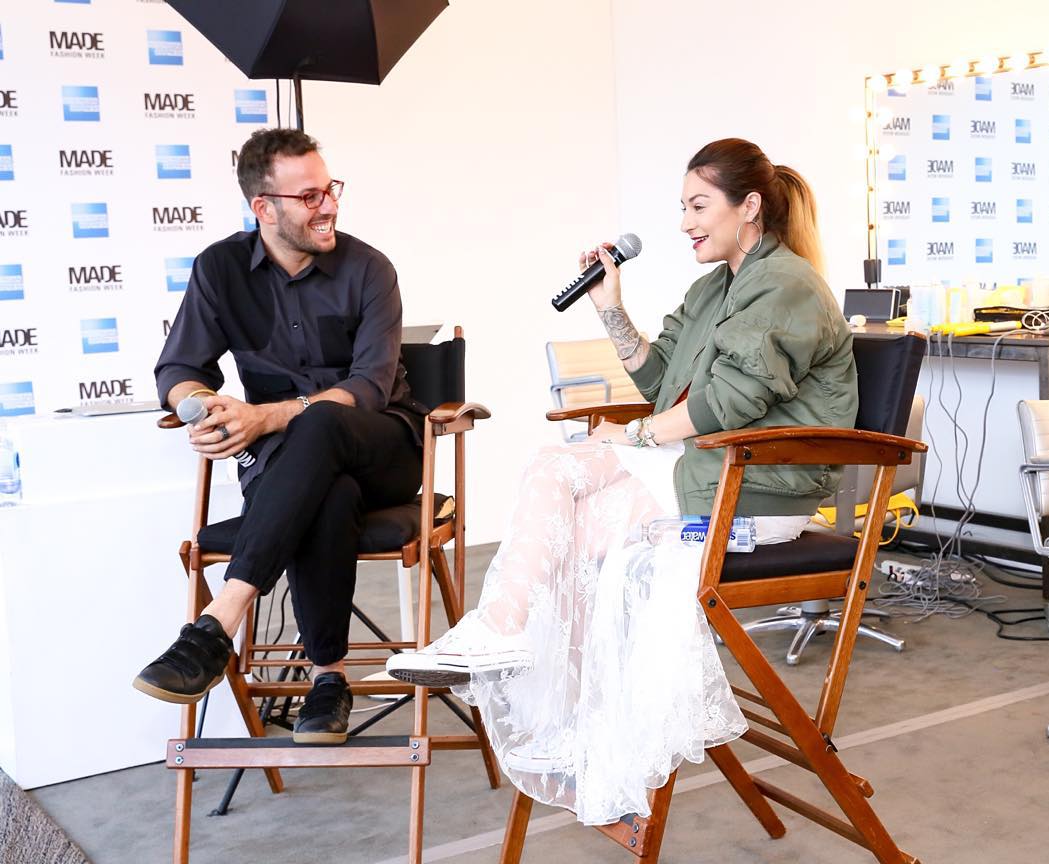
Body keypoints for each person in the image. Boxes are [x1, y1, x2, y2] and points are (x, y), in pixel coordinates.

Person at [387, 138, 858, 824]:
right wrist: (610, 303)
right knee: (569, 519)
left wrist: (632, 436)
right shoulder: (714, 288)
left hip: (754, 490)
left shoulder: (786, 284)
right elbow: (659, 379)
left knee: (561, 474)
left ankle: (508, 642)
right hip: (702, 471)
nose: (685, 222)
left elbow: (727, 405)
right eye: (682, 207)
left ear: (749, 206)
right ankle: (557, 713)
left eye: (699, 205)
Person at [134, 127, 427, 745]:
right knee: (328, 490)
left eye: (331, 189)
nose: (330, 206)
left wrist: (265, 416)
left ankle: (219, 619)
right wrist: (202, 411)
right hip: (297, 472)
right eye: (311, 195)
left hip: (385, 449)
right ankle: (329, 682)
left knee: (320, 424)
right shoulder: (220, 269)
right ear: (263, 208)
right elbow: (178, 372)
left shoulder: (370, 269)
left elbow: (369, 388)